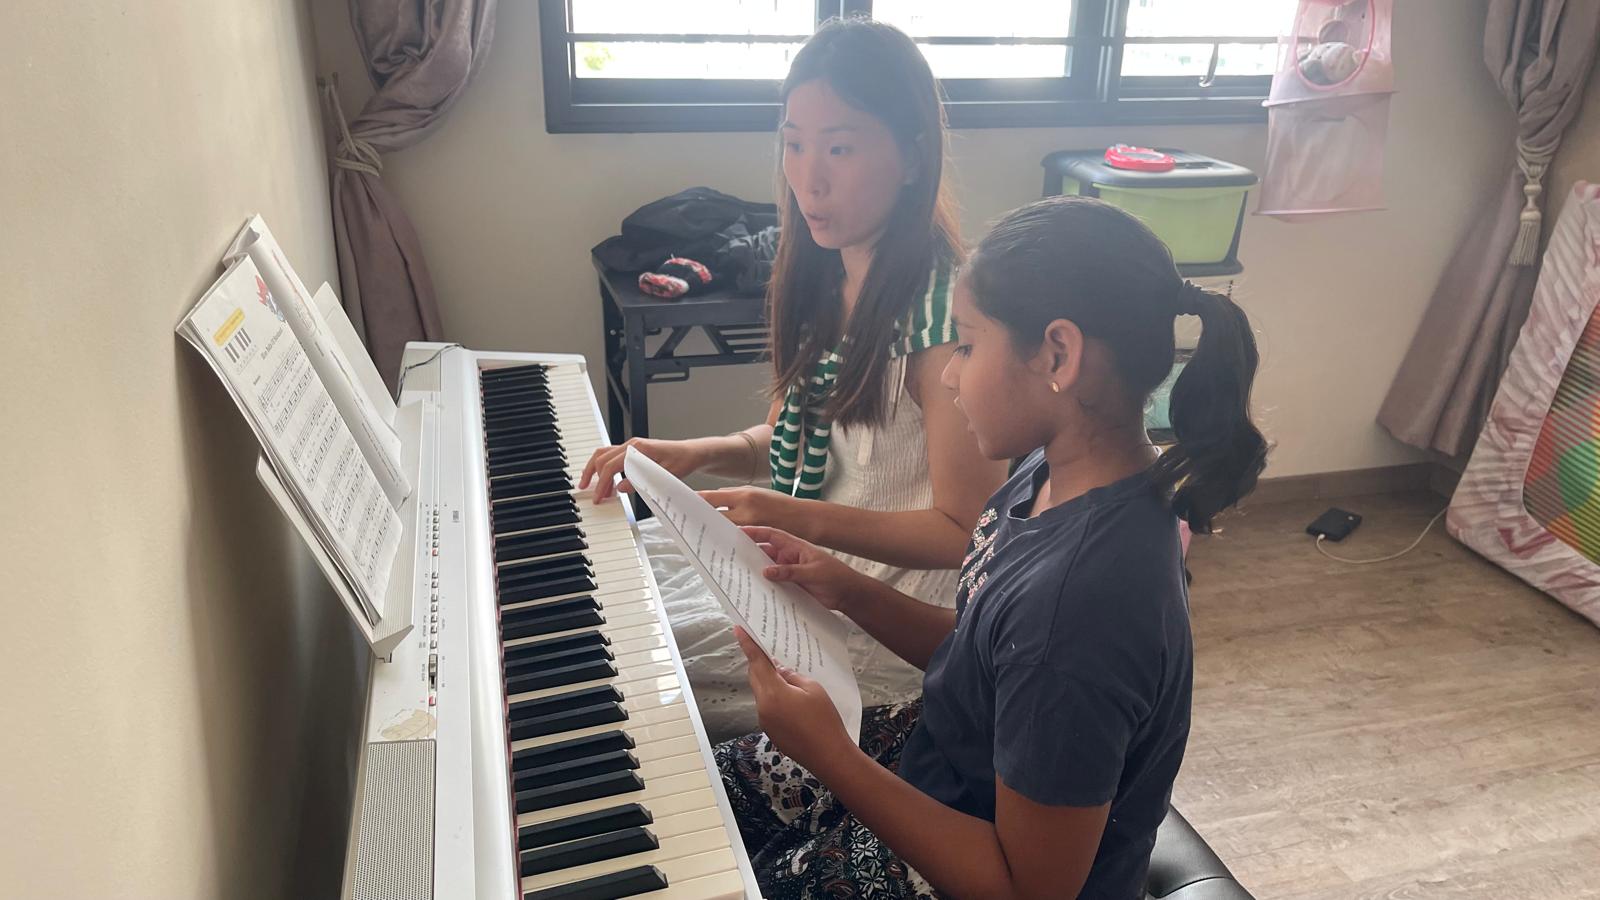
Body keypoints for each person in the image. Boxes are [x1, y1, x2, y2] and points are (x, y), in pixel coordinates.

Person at [717, 196, 1269, 899]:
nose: (949, 376)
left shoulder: (1082, 606)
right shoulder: (1051, 473)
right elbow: (981, 653)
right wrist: (848, 588)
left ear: (1058, 355)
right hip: (945, 764)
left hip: (977, 864)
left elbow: (1027, 888)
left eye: (968, 345)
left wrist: (831, 755)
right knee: (708, 782)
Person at [579, 18, 1006, 738]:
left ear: (911, 157)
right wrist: (693, 454)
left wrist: (780, 513)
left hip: (877, 622)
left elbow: (965, 533)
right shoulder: (819, 275)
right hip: (802, 569)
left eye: (840, 147)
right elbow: (795, 437)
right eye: (794, 143)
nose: (810, 177)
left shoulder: (944, 319)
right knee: (601, 589)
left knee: (622, 671)